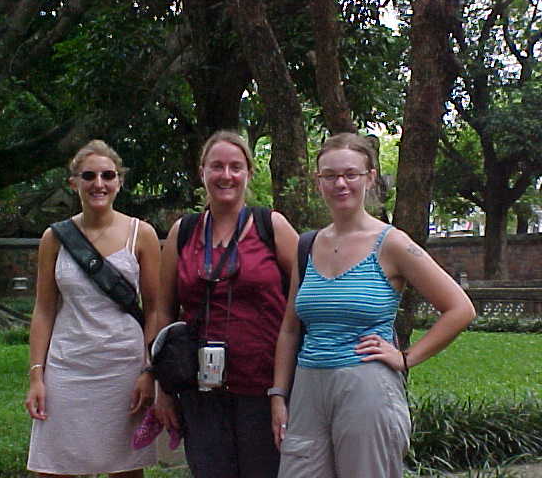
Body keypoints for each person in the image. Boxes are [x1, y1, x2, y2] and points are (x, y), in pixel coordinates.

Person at [271, 133, 476, 478]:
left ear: (369, 177)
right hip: (308, 387)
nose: (340, 183)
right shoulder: (307, 245)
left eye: (351, 174)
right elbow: (291, 328)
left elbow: (459, 308)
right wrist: (278, 394)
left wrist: (406, 358)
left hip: (366, 387)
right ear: (318, 181)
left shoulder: (392, 244)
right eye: (330, 175)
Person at [154, 130, 299, 478]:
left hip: (263, 385)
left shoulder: (270, 226)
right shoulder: (184, 232)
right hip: (199, 386)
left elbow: (310, 294)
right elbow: (162, 310)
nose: (226, 175)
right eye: (216, 166)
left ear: (248, 173)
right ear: (202, 171)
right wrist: (160, 384)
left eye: (236, 167)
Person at [24, 140, 160, 477]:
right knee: (53, 467)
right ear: (74, 183)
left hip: (123, 369)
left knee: (125, 468)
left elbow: (156, 310)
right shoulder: (54, 238)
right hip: (67, 367)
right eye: (89, 176)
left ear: (119, 181)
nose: (98, 184)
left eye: (107, 175)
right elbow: (43, 310)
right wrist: (37, 377)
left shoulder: (140, 235)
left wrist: (149, 370)